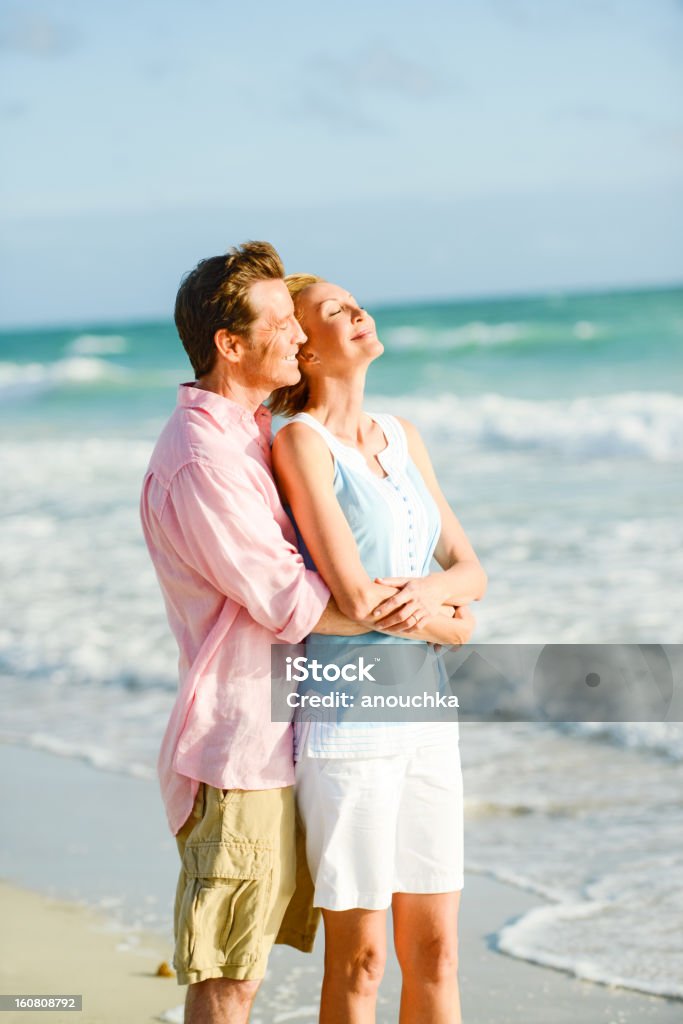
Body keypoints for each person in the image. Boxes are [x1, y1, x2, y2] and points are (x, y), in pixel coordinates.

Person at [140, 243, 473, 1024]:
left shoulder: (248, 435)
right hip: (245, 741)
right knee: (232, 972)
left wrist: (440, 609)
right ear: (230, 343)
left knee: (254, 965)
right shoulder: (205, 457)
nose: (295, 337)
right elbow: (294, 599)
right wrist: (440, 623)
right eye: (284, 322)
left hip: (308, 719)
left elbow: (426, 563)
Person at [270, 274, 487, 1024]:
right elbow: (357, 598)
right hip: (349, 727)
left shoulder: (402, 434)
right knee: (359, 962)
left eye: (352, 301)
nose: (355, 312)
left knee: (436, 953)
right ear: (303, 351)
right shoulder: (300, 443)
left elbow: (470, 567)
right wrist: (449, 622)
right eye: (332, 312)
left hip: (427, 719)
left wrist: (442, 601)